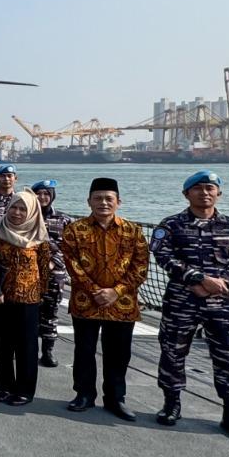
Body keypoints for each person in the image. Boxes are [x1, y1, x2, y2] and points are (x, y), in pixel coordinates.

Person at [151, 169, 229, 438]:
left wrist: (223, 281)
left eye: (210, 188)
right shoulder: (171, 225)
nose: (204, 193)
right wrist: (197, 278)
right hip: (182, 299)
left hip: (223, 302)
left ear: (219, 193)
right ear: (186, 194)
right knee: (173, 352)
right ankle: (171, 404)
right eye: (198, 188)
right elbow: (163, 255)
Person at [61, 177, 149, 420]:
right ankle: (84, 394)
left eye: (109, 199)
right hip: (85, 301)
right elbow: (72, 265)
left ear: (118, 202)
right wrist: (95, 291)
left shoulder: (133, 231)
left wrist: (116, 291)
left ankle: (115, 398)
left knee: (119, 354)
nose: (103, 203)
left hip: (122, 303)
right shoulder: (74, 230)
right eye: (97, 198)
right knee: (84, 351)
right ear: (89, 201)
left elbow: (141, 266)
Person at [0, 190, 51, 406]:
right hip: (1, 298)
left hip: (29, 299)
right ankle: (5, 387)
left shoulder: (39, 236)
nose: (17, 212)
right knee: (3, 345)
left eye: (23, 209)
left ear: (32, 211)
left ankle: (24, 391)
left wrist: (41, 295)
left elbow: (44, 269)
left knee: (27, 346)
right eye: (13, 207)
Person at [32, 179, 70, 368]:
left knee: (50, 312)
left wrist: (53, 262)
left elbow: (71, 247)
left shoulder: (64, 219)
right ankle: (27, 349)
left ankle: (47, 351)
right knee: (28, 313)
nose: (42, 197)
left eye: (46, 193)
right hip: (29, 272)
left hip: (55, 274)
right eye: (39, 193)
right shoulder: (26, 216)